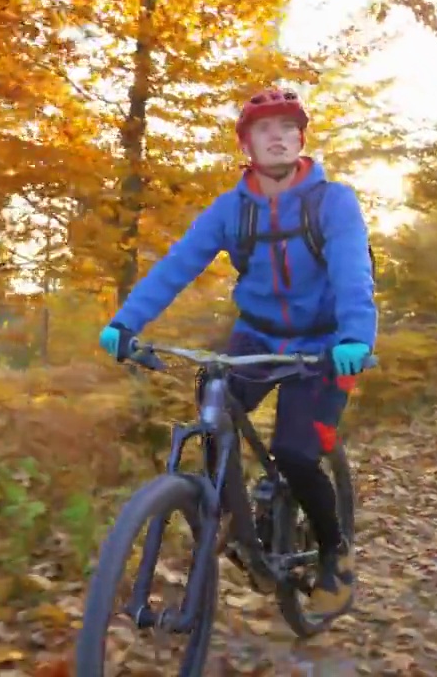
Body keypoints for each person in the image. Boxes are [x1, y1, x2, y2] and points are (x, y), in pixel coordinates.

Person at [97, 87, 377, 616]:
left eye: (288, 127)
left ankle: (334, 555)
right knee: (213, 404)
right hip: (259, 335)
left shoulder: (332, 201)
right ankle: (232, 517)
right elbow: (177, 266)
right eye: (264, 129)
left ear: (300, 138)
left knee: (296, 452)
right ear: (246, 145)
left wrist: (355, 337)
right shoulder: (231, 210)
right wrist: (126, 321)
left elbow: (351, 274)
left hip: (324, 343)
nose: (278, 136)